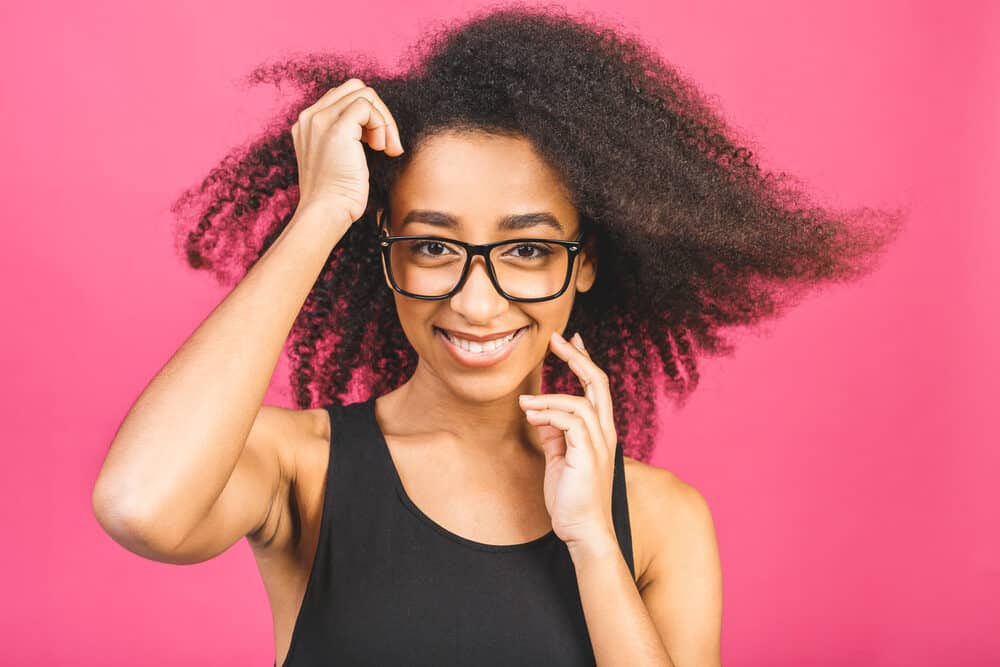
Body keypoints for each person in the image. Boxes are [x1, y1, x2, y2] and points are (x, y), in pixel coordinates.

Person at [91, 6, 903, 666]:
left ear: (585, 263)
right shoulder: (299, 468)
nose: (477, 302)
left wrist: (591, 542)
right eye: (433, 245)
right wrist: (320, 215)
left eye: (526, 249)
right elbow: (139, 505)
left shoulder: (659, 518)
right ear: (382, 250)